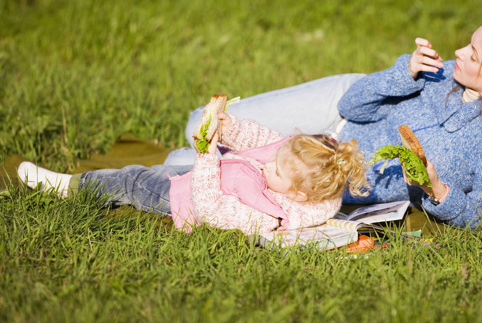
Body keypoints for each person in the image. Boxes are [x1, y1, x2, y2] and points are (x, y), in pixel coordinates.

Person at [169, 12, 482, 229]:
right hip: (335, 113)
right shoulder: (440, 72)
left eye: (473, 53)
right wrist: (405, 73)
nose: (458, 52)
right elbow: (352, 105)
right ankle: (206, 152)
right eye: (468, 42)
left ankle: (191, 162)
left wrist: (439, 190)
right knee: (196, 126)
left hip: (327, 169)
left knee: (184, 168)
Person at [18, 113, 369, 235]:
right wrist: (230, 128)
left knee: (133, 180)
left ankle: (67, 187)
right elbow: (263, 141)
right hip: (212, 172)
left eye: (275, 171)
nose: (268, 164)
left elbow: (209, 208)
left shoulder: (266, 214)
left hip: (186, 198)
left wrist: (205, 158)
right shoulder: (296, 170)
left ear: (296, 196)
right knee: (163, 168)